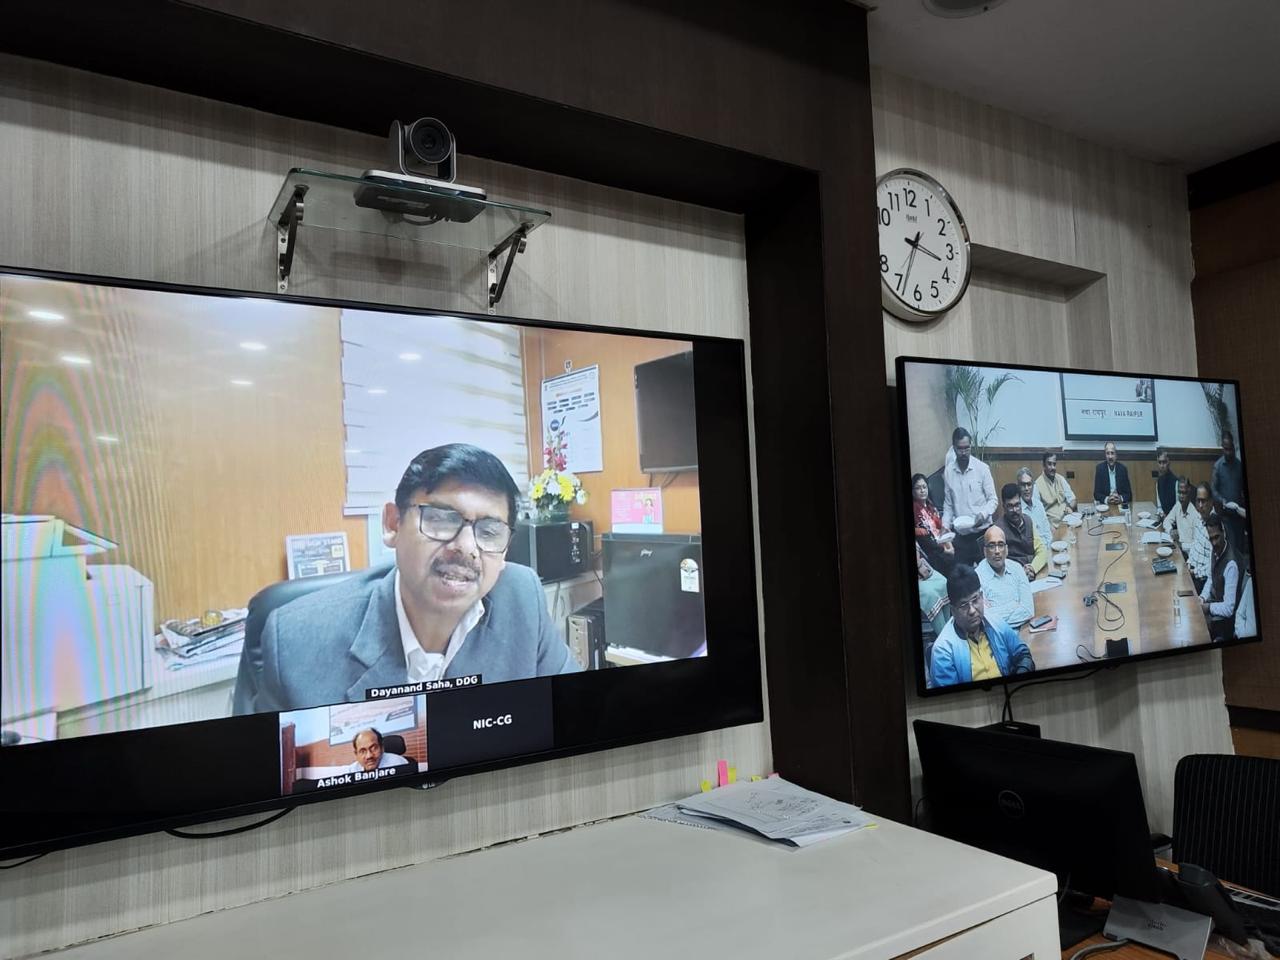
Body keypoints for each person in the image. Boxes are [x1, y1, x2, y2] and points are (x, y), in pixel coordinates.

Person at [237, 443, 582, 714]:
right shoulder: (298, 638)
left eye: (489, 531)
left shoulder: (522, 598)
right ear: (392, 525)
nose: (466, 548)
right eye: (442, 519)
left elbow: (574, 715)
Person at [929, 566, 1035, 687]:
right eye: (964, 605)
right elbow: (952, 699)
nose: (972, 610)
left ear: (981, 596)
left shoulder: (995, 621)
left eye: (975, 600)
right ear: (953, 610)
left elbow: (1023, 655)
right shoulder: (943, 650)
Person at [941, 427, 997, 565]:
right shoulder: (949, 472)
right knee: (964, 578)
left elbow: (993, 500)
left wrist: (983, 514)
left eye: (967, 448)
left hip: (982, 532)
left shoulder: (982, 469)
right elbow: (948, 505)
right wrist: (945, 525)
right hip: (961, 535)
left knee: (988, 573)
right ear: (954, 448)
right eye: (960, 449)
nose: (964, 452)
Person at [975, 525, 1035, 626]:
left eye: (1001, 544)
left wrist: (995, 613)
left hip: (1025, 629)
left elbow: (1028, 611)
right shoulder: (977, 577)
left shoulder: (1017, 568)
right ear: (985, 551)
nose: (997, 551)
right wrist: (1014, 605)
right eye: (992, 546)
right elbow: (986, 619)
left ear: (1006, 549)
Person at [1199, 514, 1244, 641]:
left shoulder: (1231, 564)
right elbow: (1210, 578)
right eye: (1211, 539)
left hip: (1225, 622)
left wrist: (1207, 608)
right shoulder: (1214, 549)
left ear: (1223, 531)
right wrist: (1202, 598)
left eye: (1217, 537)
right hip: (1214, 603)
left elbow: (1229, 609)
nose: (1214, 543)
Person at [996, 482, 1048, 580]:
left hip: (1034, 573)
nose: (1015, 510)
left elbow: (1041, 549)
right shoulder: (998, 530)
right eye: (1010, 506)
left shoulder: (1028, 520)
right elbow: (999, 564)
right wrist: (1021, 573)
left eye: (1017, 505)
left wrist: (1032, 568)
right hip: (1013, 579)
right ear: (1004, 507)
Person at [912, 472, 955, 575]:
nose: (922, 490)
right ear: (913, 491)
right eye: (918, 488)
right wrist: (945, 550)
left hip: (941, 545)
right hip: (932, 553)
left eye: (924, 487)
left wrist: (948, 543)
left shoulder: (930, 505)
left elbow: (939, 527)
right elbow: (924, 540)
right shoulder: (914, 509)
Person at [1211, 431, 1247, 549]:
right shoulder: (1218, 466)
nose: (1228, 452)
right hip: (1225, 516)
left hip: (1239, 515)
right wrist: (1222, 500)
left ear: (1234, 447)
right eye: (1226, 449)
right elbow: (1213, 489)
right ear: (1223, 448)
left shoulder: (1239, 465)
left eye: (1230, 449)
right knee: (1230, 548)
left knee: (1240, 548)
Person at [915, 544, 951, 637]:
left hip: (921, 570)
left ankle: (948, 626)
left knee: (943, 582)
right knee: (930, 595)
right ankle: (943, 635)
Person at [1187, 481, 1217, 591]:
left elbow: (1213, 567)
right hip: (1192, 572)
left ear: (1211, 502)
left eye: (1203, 501)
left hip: (1203, 581)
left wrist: (1193, 572)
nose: (1200, 505)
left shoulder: (1215, 527)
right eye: (1198, 501)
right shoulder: (1199, 518)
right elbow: (1194, 545)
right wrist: (1188, 563)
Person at [1034, 452, 1077, 524]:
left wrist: (1069, 507)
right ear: (1044, 465)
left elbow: (1073, 499)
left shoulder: (1061, 479)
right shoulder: (1037, 485)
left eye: (1054, 464)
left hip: (1067, 520)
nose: (1053, 467)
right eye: (1049, 464)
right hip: (1052, 525)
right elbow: (1037, 513)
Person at [1016, 467, 1052, 548]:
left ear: (1033, 485)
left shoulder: (1038, 504)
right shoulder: (1017, 510)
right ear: (1018, 486)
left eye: (1029, 484)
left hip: (1047, 548)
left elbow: (1047, 532)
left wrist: (1049, 549)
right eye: (1023, 485)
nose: (1026, 489)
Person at [1161, 476, 1202, 549]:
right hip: (1177, 547)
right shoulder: (1178, 505)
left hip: (1188, 554)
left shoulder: (1196, 515)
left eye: (1184, 493)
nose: (1181, 496)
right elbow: (1166, 521)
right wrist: (1170, 531)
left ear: (1189, 492)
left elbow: (1196, 545)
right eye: (1179, 492)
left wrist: (1181, 545)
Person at [1092, 441, 1132, 506]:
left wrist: (1120, 499)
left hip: (1120, 505)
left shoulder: (1122, 469)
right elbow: (1096, 494)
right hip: (1106, 505)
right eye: (1108, 453)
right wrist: (1107, 499)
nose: (1110, 457)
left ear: (1116, 455)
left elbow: (1129, 494)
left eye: (1112, 453)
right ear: (1105, 455)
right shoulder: (1100, 469)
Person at [1154, 448, 1177, 518]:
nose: (1162, 466)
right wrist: (1161, 513)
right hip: (1163, 520)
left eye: (1164, 462)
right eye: (1159, 462)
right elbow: (1159, 506)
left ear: (1169, 462)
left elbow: (1179, 510)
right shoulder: (1158, 482)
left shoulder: (1176, 482)